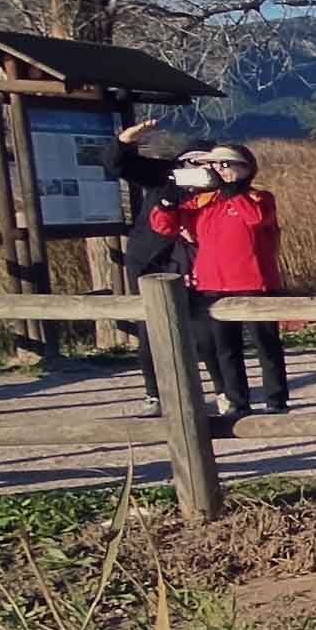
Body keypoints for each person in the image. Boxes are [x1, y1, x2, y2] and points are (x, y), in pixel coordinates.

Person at [153, 143, 285, 415]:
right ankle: (237, 402)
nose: (218, 170)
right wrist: (167, 200)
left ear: (246, 169)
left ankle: (276, 401)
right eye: (214, 165)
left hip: (254, 284)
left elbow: (255, 219)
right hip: (213, 285)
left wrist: (234, 191)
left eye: (225, 164)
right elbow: (164, 226)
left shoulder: (260, 198)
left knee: (266, 345)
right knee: (226, 349)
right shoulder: (202, 202)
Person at [112, 118, 213, 416]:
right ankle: (155, 394)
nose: (195, 168)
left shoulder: (216, 185)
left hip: (193, 259)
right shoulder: (163, 175)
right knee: (150, 327)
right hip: (149, 258)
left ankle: (218, 391)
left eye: (204, 163)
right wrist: (125, 141)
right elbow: (117, 165)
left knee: (202, 326)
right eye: (189, 162)